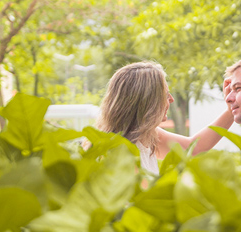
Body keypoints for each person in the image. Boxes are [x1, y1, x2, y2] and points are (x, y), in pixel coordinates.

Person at [96, 62, 233, 173]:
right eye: (166, 95)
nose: (172, 100)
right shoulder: (121, 153)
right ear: (148, 102)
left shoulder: (145, 135)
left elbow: (193, 149)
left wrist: (231, 109)